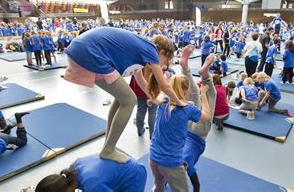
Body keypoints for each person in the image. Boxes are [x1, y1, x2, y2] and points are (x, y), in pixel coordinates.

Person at [64, 27, 185, 163]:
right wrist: (179, 102)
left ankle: (109, 144)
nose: (163, 65)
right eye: (165, 61)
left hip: (82, 48)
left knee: (121, 99)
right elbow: (164, 85)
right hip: (89, 51)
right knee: (129, 100)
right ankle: (108, 150)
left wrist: (154, 98)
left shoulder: (140, 51)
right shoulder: (150, 49)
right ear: (161, 52)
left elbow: (141, 82)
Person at [149, 53, 210, 192]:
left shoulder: (162, 100)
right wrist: (203, 94)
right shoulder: (188, 108)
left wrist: (161, 71)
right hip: (170, 163)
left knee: (158, 186)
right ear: (184, 90)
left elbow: (160, 88)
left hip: (153, 157)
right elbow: (206, 116)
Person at [179, 49, 216, 192]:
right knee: (193, 97)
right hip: (186, 129)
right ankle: (185, 67)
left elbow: (197, 185)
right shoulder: (169, 160)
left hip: (199, 134)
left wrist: (204, 94)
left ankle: (205, 76)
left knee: (209, 97)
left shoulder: (185, 164)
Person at [35, 154, 147, 192]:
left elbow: (93, 184)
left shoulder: (92, 185)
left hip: (135, 175)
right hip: (120, 168)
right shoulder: (71, 170)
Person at [130, 67, 157, 138]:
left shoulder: (138, 64)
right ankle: (152, 134)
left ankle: (139, 130)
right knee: (153, 113)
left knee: (140, 110)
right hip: (153, 90)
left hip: (139, 90)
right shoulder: (154, 63)